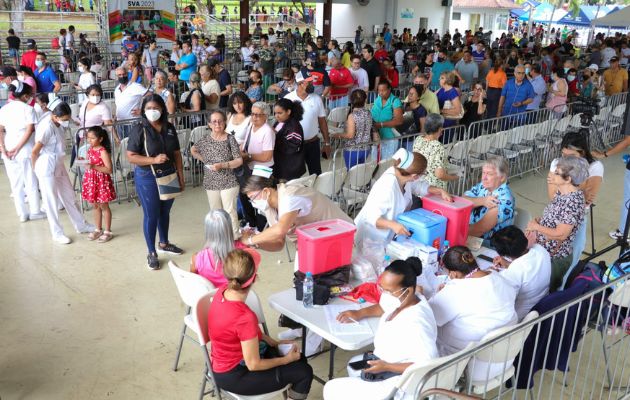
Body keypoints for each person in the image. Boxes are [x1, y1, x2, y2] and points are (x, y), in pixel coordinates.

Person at [325, 257, 438, 399]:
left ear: (408, 291)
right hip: (386, 363)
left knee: (332, 389)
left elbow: (428, 364)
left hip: (399, 382)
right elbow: (384, 306)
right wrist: (359, 313)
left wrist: (387, 367)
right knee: (353, 364)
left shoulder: (417, 322)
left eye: (388, 291)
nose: (385, 294)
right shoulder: (402, 299)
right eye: (382, 289)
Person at [207, 249, 313, 399]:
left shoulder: (222, 291)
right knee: (304, 372)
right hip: (236, 375)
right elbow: (254, 364)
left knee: (299, 358)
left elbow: (243, 333)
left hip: (224, 364)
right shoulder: (244, 317)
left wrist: (275, 343)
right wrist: (285, 360)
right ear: (254, 278)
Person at [429, 246, 517, 381]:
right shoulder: (498, 278)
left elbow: (431, 318)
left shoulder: (457, 291)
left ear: (454, 274)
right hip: (504, 356)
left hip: (467, 363)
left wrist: (438, 294)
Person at [126, 94, 185, 270]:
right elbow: (131, 156)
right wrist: (153, 160)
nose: (152, 111)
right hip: (147, 177)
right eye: (149, 108)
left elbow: (176, 153)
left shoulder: (169, 128)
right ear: (144, 110)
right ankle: (152, 252)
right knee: (151, 214)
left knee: (165, 211)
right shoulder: (139, 129)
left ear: (162, 109)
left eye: (156, 108)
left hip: (168, 174)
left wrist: (180, 176)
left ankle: (164, 243)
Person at [239, 167, 353, 252]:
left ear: (266, 191)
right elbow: (279, 243)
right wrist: (257, 243)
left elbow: (280, 230)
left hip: (341, 236)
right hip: (317, 244)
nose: (252, 203)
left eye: (253, 198)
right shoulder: (270, 207)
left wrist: (250, 239)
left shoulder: (290, 196)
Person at [354, 149, 452, 246]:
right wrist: (393, 225)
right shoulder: (387, 187)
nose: (423, 175)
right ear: (415, 176)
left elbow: (417, 186)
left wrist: (439, 190)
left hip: (386, 237)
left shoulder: (402, 175)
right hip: (370, 238)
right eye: (424, 173)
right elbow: (371, 218)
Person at [31, 98, 94, 244]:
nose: (67, 121)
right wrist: (36, 170)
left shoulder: (58, 122)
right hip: (46, 165)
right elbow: (34, 152)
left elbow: (68, 122)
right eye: (64, 119)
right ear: (55, 116)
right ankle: (57, 233)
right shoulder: (46, 127)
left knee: (69, 196)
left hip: (58, 163)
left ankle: (81, 225)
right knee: (51, 202)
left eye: (67, 118)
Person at [527, 156, 588, 291]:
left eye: (557, 173)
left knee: (545, 294)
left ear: (568, 179)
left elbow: (561, 234)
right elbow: (556, 217)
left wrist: (536, 227)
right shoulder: (563, 194)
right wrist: (541, 221)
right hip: (544, 252)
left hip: (554, 258)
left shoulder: (572, 202)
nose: (552, 174)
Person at [548, 132, 603, 272]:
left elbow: (587, 199)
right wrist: (579, 187)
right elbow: (553, 195)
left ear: (582, 152)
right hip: (554, 215)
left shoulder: (595, 166)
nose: (565, 159)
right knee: (551, 257)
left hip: (577, 218)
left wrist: (561, 185)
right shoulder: (556, 162)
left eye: (570, 156)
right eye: (563, 155)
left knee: (571, 258)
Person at [191, 110, 244, 236]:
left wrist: (223, 165)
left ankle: (234, 237)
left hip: (229, 181)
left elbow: (239, 160)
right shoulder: (205, 139)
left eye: (220, 121)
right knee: (215, 212)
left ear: (225, 122)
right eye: (214, 121)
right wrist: (204, 160)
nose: (217, 124)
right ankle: (220, 238)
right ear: (209, 124)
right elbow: (193, 149)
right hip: (211, 181)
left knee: (229, 210)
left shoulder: (230, 139)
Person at [0, 81, 45, 223]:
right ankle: (35, 211)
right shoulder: (28, 109)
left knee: (15, 182)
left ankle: (22, 213)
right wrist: (18, 148)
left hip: (8, 145)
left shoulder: (4, 109)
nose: (32, 97)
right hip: (24, 148)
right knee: (30, 179)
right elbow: (30, 129)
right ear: (25, 96)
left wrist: (3, 148)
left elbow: (0, 130)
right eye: (31, 95)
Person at [491, 226, 551, 321]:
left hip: (522, 316)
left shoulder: (515, 271)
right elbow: (529, 270)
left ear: (504, 254)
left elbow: (503, 300)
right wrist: (508, 264)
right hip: (543, 301)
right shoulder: (540, 250)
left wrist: (491, 274)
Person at [191, 209, 262, 288]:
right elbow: (251, 278)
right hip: (237, 297)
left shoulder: (197, 258)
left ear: (207, 231)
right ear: (229, 227)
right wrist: (246, 240)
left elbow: (192, 282)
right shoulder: (245, 253)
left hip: (209, 299)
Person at [284, 70, 331, 175]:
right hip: (294, 145)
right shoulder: (288, 99)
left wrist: (327, 143)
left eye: (312, 82)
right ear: (300, 83)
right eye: (309, 82)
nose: (312, 84)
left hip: (313, 143)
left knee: (316, 174)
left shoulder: (317, 98)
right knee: (293, 176)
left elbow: (323, 122)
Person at [463, 157, 515, 242]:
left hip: (488, 245)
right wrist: (483, 201)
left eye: (489, 174)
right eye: (483, 173)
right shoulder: (483, 186)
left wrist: (453, 232)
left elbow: (478, 230)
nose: (484, 178)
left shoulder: (504, 199)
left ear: (501, 178)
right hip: (470, 237)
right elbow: (463, 200)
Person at [81, 126, 116, 243]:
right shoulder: (90, 150)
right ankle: (98, 229)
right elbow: (88, 163)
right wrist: (83, 161)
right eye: (88, 138)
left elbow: (109, 169)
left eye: (92, 138)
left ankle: (108, 231)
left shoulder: (103, 151)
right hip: (91, 181)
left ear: (100, 139)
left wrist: (94, 166)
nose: (89, 140)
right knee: (95, 206)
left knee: (104, 206)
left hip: (101, 182)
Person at [331, 89, 376, 170]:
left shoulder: (352, 116)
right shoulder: (368, 113)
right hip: (365, 148)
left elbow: (350, 135)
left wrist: (338, 135)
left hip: (353, 149)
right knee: (359, 172)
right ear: (365, 100)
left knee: (351, 173)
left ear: (351, 101)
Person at [412, 114, 458, 191]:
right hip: (434, 189)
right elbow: (439, 174)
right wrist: (454, 177)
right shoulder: (438, 146)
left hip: (419, 185)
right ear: (439, 129)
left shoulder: (418, 139)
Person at [272, 98, 305, 181]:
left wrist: (275, 135)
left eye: (280, 113)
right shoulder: (280, 122)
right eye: (275, 113)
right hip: (280, 165)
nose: (276, 116)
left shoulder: (294, 126)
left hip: (289, 169)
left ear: (288, 112)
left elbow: (292, 148)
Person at [371, 80, 403, 159]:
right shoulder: (377, 100)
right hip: (376, 136)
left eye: (383, 90)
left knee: (386, 162)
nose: (381, 93)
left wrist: (380, 124)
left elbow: (399, 121)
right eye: (379, 90)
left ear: (389, 90)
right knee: (375, 161)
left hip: (390, 138)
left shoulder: (395, 101)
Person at [114, 67, 148, 139]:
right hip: (120, 124)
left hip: (133, 123)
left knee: (135, 146)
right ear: (116, 77)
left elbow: (151, 96)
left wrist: (142, 110)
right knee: (124, 146)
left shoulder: (135, 86)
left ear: (127, 74)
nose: (122, 76)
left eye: (124, 74)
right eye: (119, 75)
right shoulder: (117, 89)